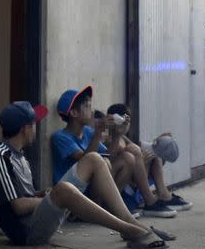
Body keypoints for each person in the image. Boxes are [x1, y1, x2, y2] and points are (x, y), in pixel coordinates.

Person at [0, 101, 170, 249]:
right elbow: (19, 207)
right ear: (25, 129)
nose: (36, 129)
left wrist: (43, 193)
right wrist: (54, 196)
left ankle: (132, 223)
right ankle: (129, 231)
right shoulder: (0, 155)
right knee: (62, 190)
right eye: (34, 124)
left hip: (39, 217)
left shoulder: (20, 155)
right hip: (26, 232)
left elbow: (29, 196)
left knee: (94, 159)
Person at [50, 87, 176, 218]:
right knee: (106, 160)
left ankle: (109, 208)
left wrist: (118, 134)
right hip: (78, 194)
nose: (91, 111)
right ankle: (97, 211)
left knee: (127, 158)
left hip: (95, 190)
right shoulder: (60, 137)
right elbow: (88, 161)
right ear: (74, 113)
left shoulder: (87, 132)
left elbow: (109, 156)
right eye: (87, 107)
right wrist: (99, 132)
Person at [106, 103, 192, 211]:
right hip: (123, 188)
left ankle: (164, 195)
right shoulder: (110, 140)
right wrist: (140, 161)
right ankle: (150, 200)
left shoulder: (123, 138)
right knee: (134, 151)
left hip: (132, 185)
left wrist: (158, 143)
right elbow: (109, 164)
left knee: (153, 154)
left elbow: (143, 148)